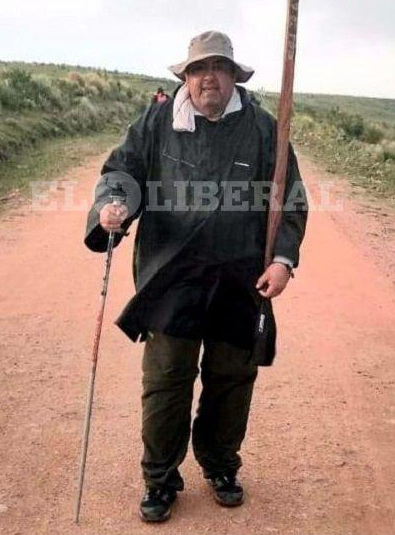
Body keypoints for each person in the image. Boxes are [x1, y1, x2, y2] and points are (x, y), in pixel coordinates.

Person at [83, 30, 308, 523]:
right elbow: (122, 170)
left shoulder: (267, 130)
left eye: (220, 69)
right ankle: (160, 479)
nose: (210, 78)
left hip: (240, 276)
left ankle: (221, 465)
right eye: (200, 69)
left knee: (231, 379)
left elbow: (289, 198)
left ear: (234, 77)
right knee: (166, 381)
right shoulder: (157, 122)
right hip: (172, 276)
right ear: (186, 77)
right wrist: (113, 204)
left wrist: (282, 261)